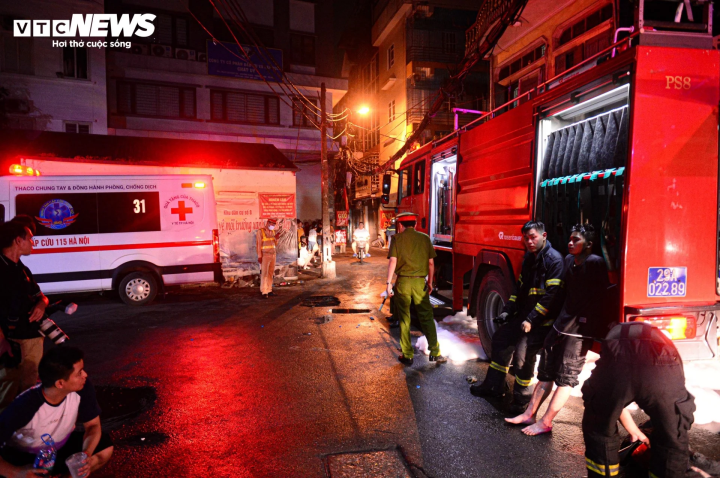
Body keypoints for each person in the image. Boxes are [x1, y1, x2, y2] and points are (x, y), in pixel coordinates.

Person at [506, 224, 610, 434]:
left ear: (589, 244)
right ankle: (529, 414)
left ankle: (546, 422)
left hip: (579, 330)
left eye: (576, 240)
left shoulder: (595, 263)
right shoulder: (569, 260)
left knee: (566, 378)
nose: (570, 243)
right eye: (570, 239)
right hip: (561, 325)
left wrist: (597, 336)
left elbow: (601, 300)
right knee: (546, 372)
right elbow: (561, 295)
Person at [470, 221, 565, 415]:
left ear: (544, 235)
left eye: (533, 237)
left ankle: (522, 401)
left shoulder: (554, 261)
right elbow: (519, 291)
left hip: (543, 322)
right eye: (526, 238)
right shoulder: (529, 259)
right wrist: (507, 311)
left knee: (523, 354)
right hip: (525, 318)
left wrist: (531, 320)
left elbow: (551, 297)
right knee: (501, 339)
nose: (529, 241)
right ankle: (494, 386)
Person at [581, 322, 694, 478]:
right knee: (672, 438)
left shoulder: (608, 334)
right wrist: (635, 430)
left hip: (615, 370)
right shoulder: (664, 343)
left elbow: (611, 401)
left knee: (599, 430)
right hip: (661, 373)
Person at [0, 346, 113, 477]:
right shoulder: (25, 406)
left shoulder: (83, 387)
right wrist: (17, 473)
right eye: (79, 373)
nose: (85, 375)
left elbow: (93, 426)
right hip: (26, 457)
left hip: (57, 449)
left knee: (104, 446)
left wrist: (86, 454)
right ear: (60, 383)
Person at [0, 221, 49, 412]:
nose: (33, 243)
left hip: (32, 338)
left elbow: (41, 296)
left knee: (28, 390)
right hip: (10, 342)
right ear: (18, 241)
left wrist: (41, 304)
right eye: (30, 239)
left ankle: (24, 434)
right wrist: (2, 341)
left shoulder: (22, 269)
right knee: (7, 391)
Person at [386, 212, 447, 365]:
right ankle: (435, 352)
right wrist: (431, 282)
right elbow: (431, 263)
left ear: (400, 225)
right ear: (415, 224)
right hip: (421, 283)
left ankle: (408, 355)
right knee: (426, 317)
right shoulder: (425, 238)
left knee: (404, 319)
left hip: (403, 283)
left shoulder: (396, 239)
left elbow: (393, 261)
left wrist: (388, 283)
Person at [256, 218, 277, 299]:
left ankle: (269, 290)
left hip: (273, 254)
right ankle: (264, 291)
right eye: (272, 224)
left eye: (274, 224)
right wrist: (259, 256)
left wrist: (276, 239)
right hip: (265, 255)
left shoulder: (273, 232)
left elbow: (274, 244)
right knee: (264, 274)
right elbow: (258, 245)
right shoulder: (260, 231)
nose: (273, 226)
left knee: (270, 273)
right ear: (268, 223)